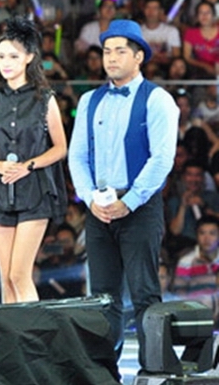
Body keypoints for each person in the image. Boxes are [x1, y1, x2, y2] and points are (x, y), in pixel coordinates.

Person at [67, 19, 179, 364]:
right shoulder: (89, 100)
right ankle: (104, 374)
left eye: (119, 51)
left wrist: (129, 201)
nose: (111, 58)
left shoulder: (157, 99)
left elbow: (162, 159)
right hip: (98, 206)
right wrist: (89, 197)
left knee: (144, 292)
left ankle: (154, 371)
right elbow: (77, 155)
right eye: (106, 51)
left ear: (138, 56)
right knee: (102, 296)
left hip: (139, 205)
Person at [0, 16, 67, 303]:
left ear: (29, 57)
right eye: (1, 56)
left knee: (19, 274)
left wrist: (28, 165)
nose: (6, 62)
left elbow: (60, 147)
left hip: (34, 190)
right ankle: (10, 331)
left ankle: (33, 330)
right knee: (5, 277)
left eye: (13, 56)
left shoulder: (45, 98)